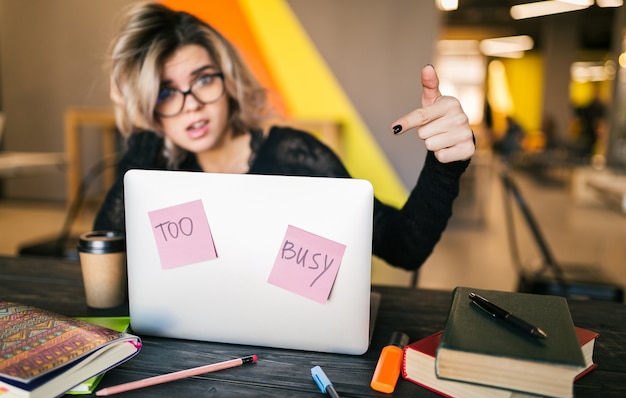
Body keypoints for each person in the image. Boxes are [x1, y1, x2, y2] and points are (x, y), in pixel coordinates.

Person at [94, 2, 475, 271]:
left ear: (229, 82)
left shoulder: (296, 155)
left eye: (204, 79)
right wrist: (143, 131)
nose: (191, 104)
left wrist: (446, 165)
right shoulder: (156, 174)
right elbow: (103, 265)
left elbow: (404, 247)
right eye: (165, 92)